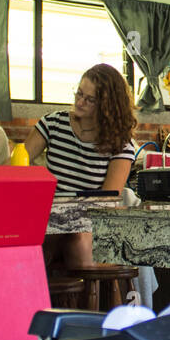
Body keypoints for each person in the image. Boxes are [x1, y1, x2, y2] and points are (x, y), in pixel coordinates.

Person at [23, 63, 137, 267]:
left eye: (90, 99)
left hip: (89, 221)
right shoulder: (53, 124)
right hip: (50, 216)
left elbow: (107, 200)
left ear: (107, 107)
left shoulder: (120, 145)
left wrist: (71, 215)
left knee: (78, 240)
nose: (80, 102)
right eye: (79, 93)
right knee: (31, 238)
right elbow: (16, 165)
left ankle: (75, 297)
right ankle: (41, 293)